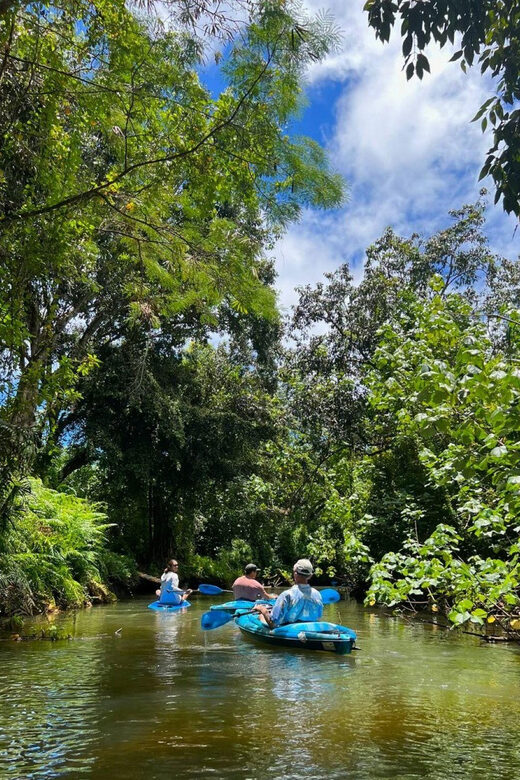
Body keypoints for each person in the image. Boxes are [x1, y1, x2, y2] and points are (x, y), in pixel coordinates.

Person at [253, 559, 322, 628]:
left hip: (290, 630)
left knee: (261, 616)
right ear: (310, 576)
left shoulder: (287, 595)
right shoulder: (318, 595)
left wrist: (263, 610)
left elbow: (273, 623)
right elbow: (318, 617)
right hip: (310, 629)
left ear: (295, 574)